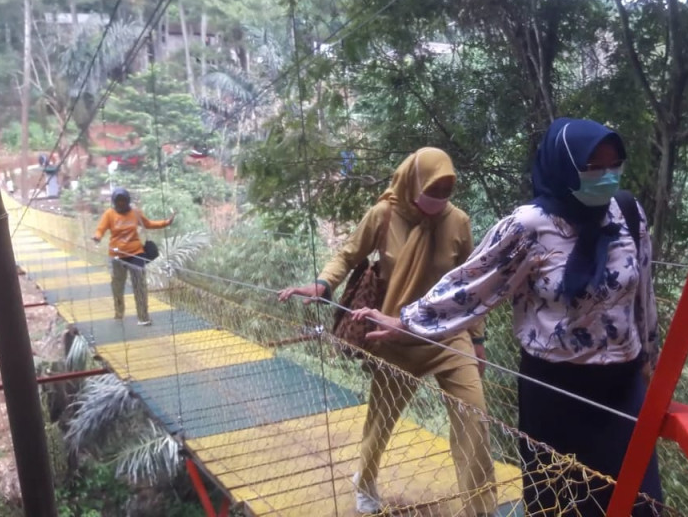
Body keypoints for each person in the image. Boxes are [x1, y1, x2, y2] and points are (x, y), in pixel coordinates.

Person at [355, 118, 665, 516]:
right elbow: (472, 284)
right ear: (564, 166)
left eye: (614, 165)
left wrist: (651, 361)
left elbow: (643, 295)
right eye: (593, 168)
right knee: (561, 503)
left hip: (622, 387)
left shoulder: (627, 214)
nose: (606, 177)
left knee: (641, 502)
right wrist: (408, 320)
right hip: (557, 391)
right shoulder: (529, 227)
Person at [277, 148, 498, 516]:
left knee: (474, 419)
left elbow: (469, 286)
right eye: (433, 188)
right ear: (412, 182)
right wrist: (322, 284)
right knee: (380, 422)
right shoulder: (384, 214)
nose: (439, 198)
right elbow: (347, 256)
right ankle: (365, 481)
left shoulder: (457, 221)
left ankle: (481, 507)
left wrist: (477, 339)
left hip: (448, 336)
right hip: (393, 335)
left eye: (447, 190)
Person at [92, 187, 175, 327]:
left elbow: (148, 224)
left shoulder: (135, 213)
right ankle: (119, 313)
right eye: (118, 201)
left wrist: (166, 223)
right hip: (117, 255)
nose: (121, 203)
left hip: (136, 253)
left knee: (140, 286)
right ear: (114, 202)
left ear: (128, 201)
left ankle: (143, 317)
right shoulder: (109, 214)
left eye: (123, 200)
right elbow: (101, 229)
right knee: (117, 286)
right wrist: (97, 237)